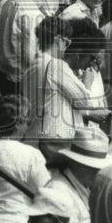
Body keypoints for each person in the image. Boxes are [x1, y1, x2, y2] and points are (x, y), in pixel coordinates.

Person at [22, 16, 101, 160]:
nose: (66, 48)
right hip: (54, 137)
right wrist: (87, 83)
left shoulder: (33, 65)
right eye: (66, 42)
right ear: (58, 40)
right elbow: (84, 101)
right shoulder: (56, 65)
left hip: (36, 132)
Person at [46, 127, 112, 223]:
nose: (98, 172)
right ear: (75, 163)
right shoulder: (58, 192)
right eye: (92, 167)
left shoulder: (82, 188)